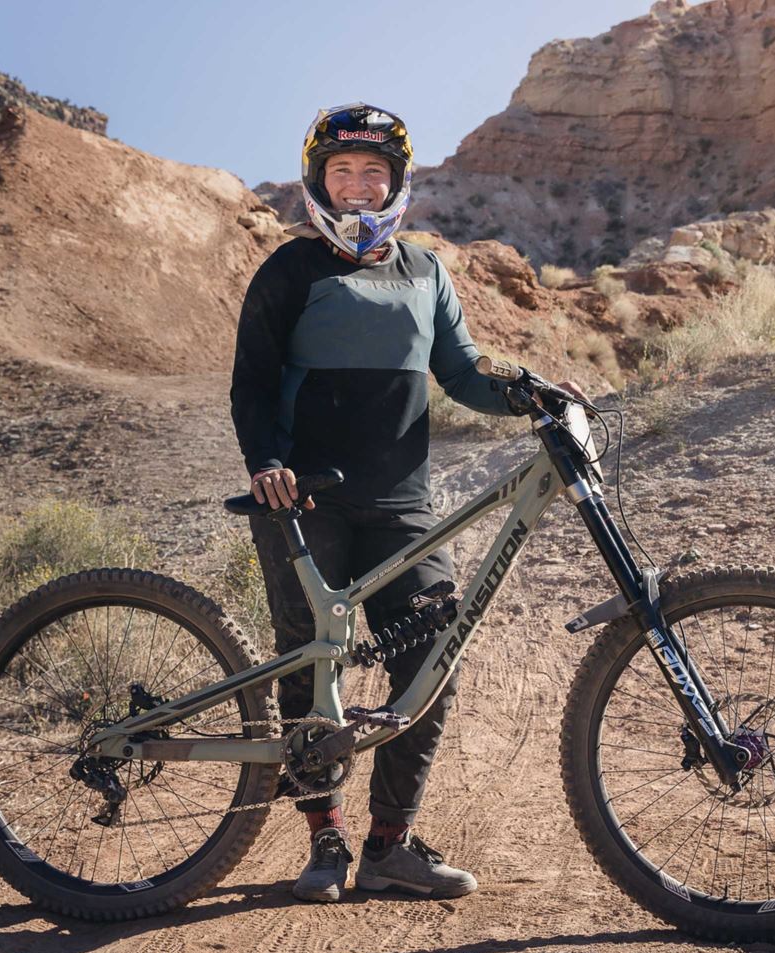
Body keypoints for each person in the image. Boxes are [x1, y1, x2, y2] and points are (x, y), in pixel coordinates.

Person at [230, 103, 583, 903]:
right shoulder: (289, 270)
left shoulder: (426, 273)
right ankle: (325, 840)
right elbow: (251, 383)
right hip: (305, 499)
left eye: (374, 173)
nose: (358, 188)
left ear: (397, 182)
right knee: (309, 665)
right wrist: (268, 463)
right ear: (319, 180)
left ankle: (390, 845)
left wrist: (535, 395)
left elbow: (461, 375)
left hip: (406, 505)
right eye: (342, 173)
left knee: (431, 663)